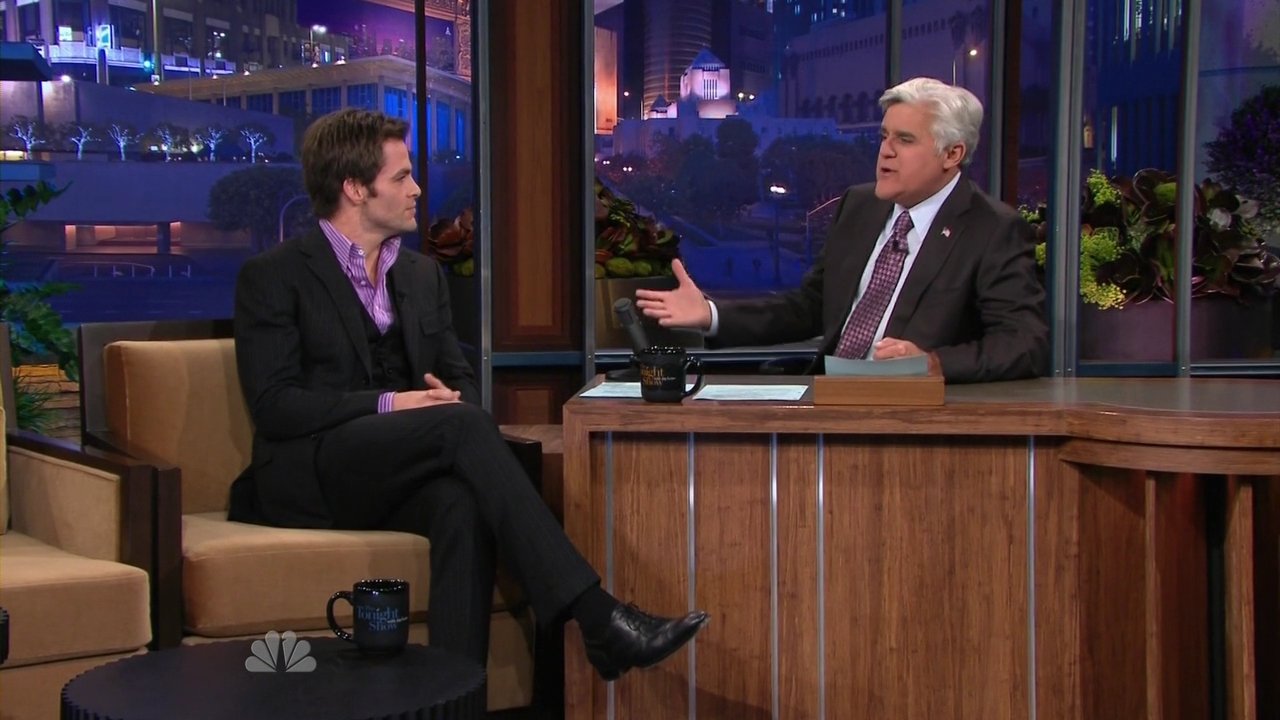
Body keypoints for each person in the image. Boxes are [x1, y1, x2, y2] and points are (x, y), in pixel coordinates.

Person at [229, 108, 707, 681]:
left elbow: (462, 380)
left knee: (462, 503)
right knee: (461, 426)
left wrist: (446, 396)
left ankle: (455, 698)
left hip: (395, 469)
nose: (417, 188)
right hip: (312, 471)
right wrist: (392, 404)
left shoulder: (419, 275)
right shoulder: (275, 275)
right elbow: (275, 406)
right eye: (401, 176)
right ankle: (597, 617)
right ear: (355, 188)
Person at [636, 77, 1048, 383]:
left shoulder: (991, 228)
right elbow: (810, 307)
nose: (885, 151)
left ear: (952, 154)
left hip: (910, 416)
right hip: (827, 397)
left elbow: (1025, 343)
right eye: (884, 136)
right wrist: (711, 314)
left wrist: (932, 363)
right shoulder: (861, 206)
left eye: (905, 140)